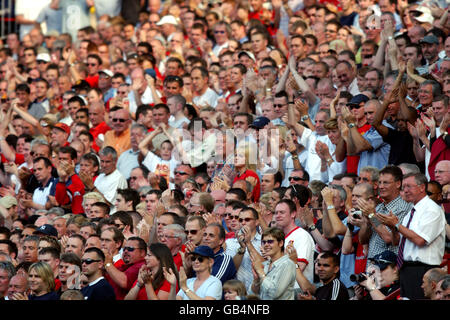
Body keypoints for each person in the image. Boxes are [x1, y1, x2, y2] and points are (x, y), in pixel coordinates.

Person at [376, 173, 446, 300]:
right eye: (403, 187)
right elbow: (397, 242)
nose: (405, 190)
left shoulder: (432, 210)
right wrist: (392, 227)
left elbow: (420, 240)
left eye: (409, 186)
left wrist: (396, 224)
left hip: (423, 270)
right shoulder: (411, 212)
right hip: (407, 269)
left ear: (422, 187)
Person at [250, 227, 296, 300]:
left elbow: (274, 293)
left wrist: (261, 272)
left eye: (270, 241)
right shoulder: (265, 264)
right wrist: (256, 280)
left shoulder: (287, 264)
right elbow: (254, 292)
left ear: (281, 243)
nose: (266, 245)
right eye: (264, 242)